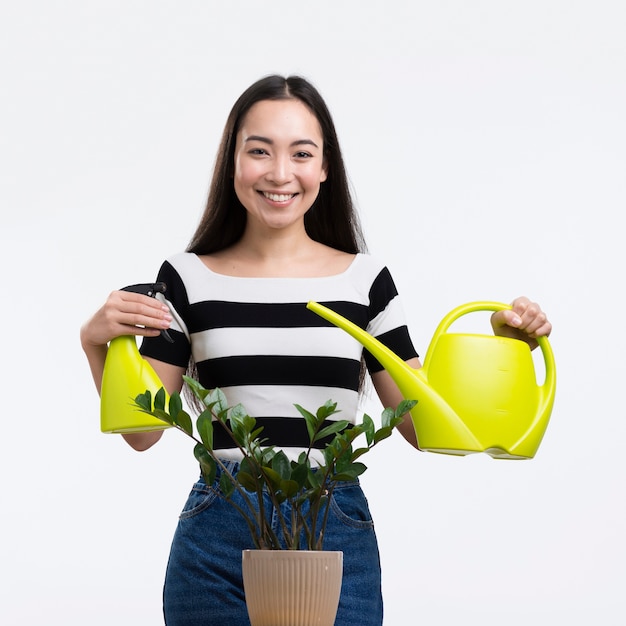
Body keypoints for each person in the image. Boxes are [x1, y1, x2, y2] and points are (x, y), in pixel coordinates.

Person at [80, 75, 552, 625]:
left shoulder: (365, 282)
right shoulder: (185, 280)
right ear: (232, 161)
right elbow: (142, 431)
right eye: (260, 151)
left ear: (325, 167)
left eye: (301, 153)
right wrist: (96, 344)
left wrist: (505, 349)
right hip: (217, 534)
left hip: (335, 530)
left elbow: (427, 429)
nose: (281, 173)